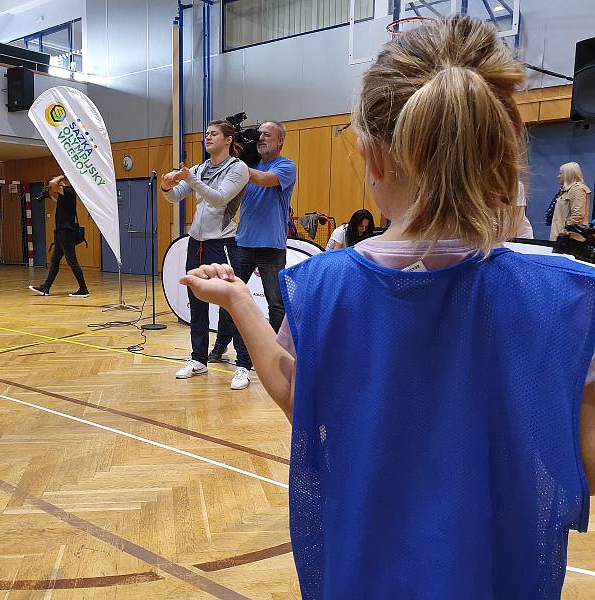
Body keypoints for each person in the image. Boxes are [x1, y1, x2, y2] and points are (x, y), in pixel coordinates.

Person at [181, 15, 595, 599]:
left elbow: (301, 398)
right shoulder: (568, 296)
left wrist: (240, 304)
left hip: (363, 576)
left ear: (371, 157)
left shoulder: (321, 286)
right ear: (502, 156)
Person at [161, 120, 251, 390]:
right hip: (196, 242)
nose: (208, 137)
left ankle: (244, 364)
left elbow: (218, 198)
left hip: (222, 244)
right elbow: (176, 196)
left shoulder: (238, 168)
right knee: (196, 300)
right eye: (206, 134)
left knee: (232, 304)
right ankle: (198, 358)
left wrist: (190, 178)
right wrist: (167, 186)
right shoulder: (201, 168)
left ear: (227, 139)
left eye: (214, 134)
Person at [207, 121, 296, 367]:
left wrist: (238, 166)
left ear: (280, 141)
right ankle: (220, 346)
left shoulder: (286, 166)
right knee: (229, 297)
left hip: (271, 247)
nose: (261, 138)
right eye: (259, 135)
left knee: (276, 304)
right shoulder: (249, 164)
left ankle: (276, 352)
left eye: (267, 135)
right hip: (243, 244)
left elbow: (266, 180)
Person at [29, 174, 89, 298]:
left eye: (52, 186)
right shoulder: (65, 195)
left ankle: (83, 289)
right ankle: (45, 287)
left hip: (65, 232)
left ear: (60, 183)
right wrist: (50, 197)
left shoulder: (69, 191)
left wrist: (61, 175)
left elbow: (52, 184)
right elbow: (61, 204)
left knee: (72, 261)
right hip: (62, 232)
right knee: (55, 260)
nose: (51, 188)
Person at [550, 162, 591, 241]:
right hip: (561, 237)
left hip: (570, 240)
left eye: (560, 173)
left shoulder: (578, 190)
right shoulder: (565, 190)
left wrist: (565, 232)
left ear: (568, 174)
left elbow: (577, 215)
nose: (558, 177)